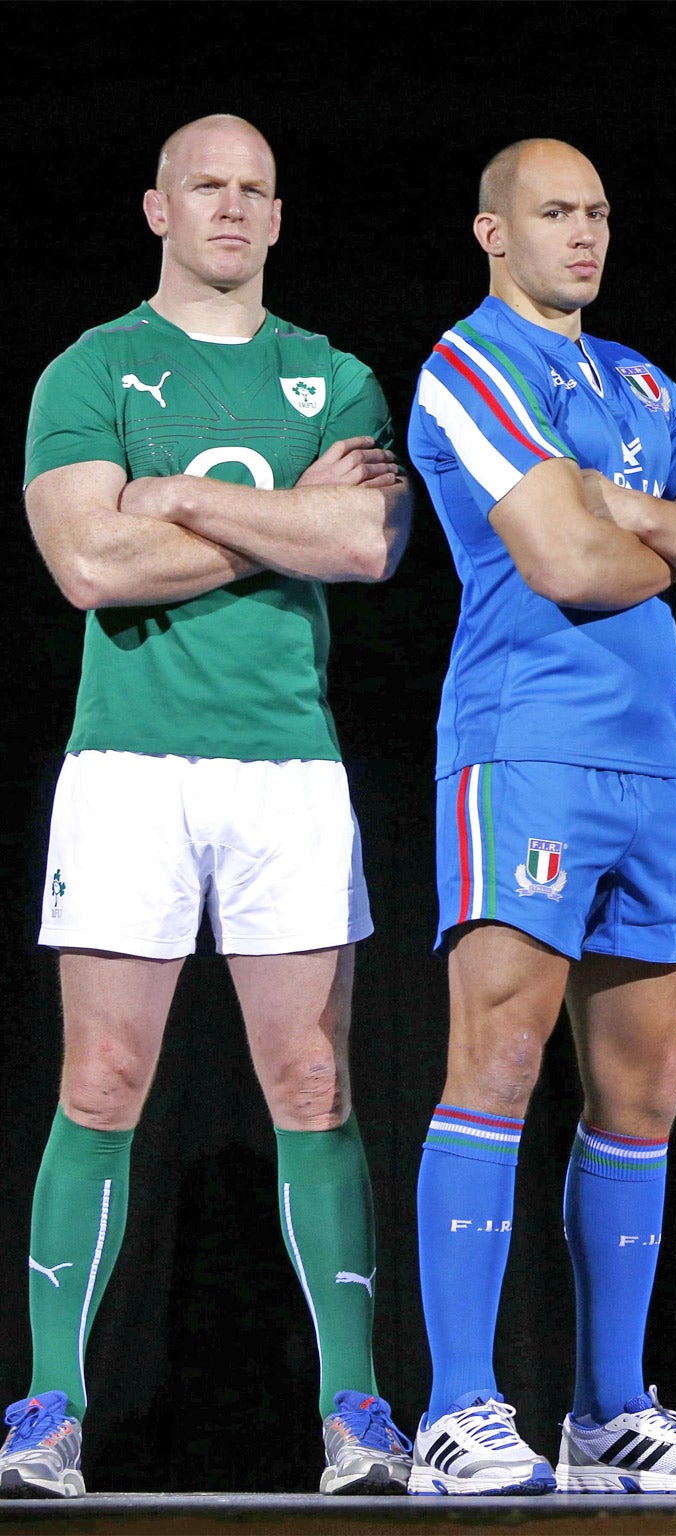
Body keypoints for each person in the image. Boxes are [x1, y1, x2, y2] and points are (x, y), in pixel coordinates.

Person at [0, 114, 413, 1499]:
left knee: (314, 1081)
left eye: (254, 190)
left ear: (279, 218)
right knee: (102, 1081)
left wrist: (168, 501)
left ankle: (353, 1410)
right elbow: (86, 563)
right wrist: (260, 514)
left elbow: (359, 539)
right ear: (157, 209)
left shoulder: (333, 374)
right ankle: (49, 1409)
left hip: (289, 766)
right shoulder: (93, 367)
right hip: (128, 764)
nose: (231, 208)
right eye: (205, 188)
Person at [404, 138, 676, 1497]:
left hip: (652, 764)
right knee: (498, 1057)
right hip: (527, 750)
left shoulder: (645, 382)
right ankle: (458, 1407)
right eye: (556, 212)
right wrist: (658, 517)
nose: (584, 234)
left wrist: (631, 508)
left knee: (644, 1088)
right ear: (492, 230)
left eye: (599, 212)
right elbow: (561, 560)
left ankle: (610, 1412)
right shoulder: (471, 362)